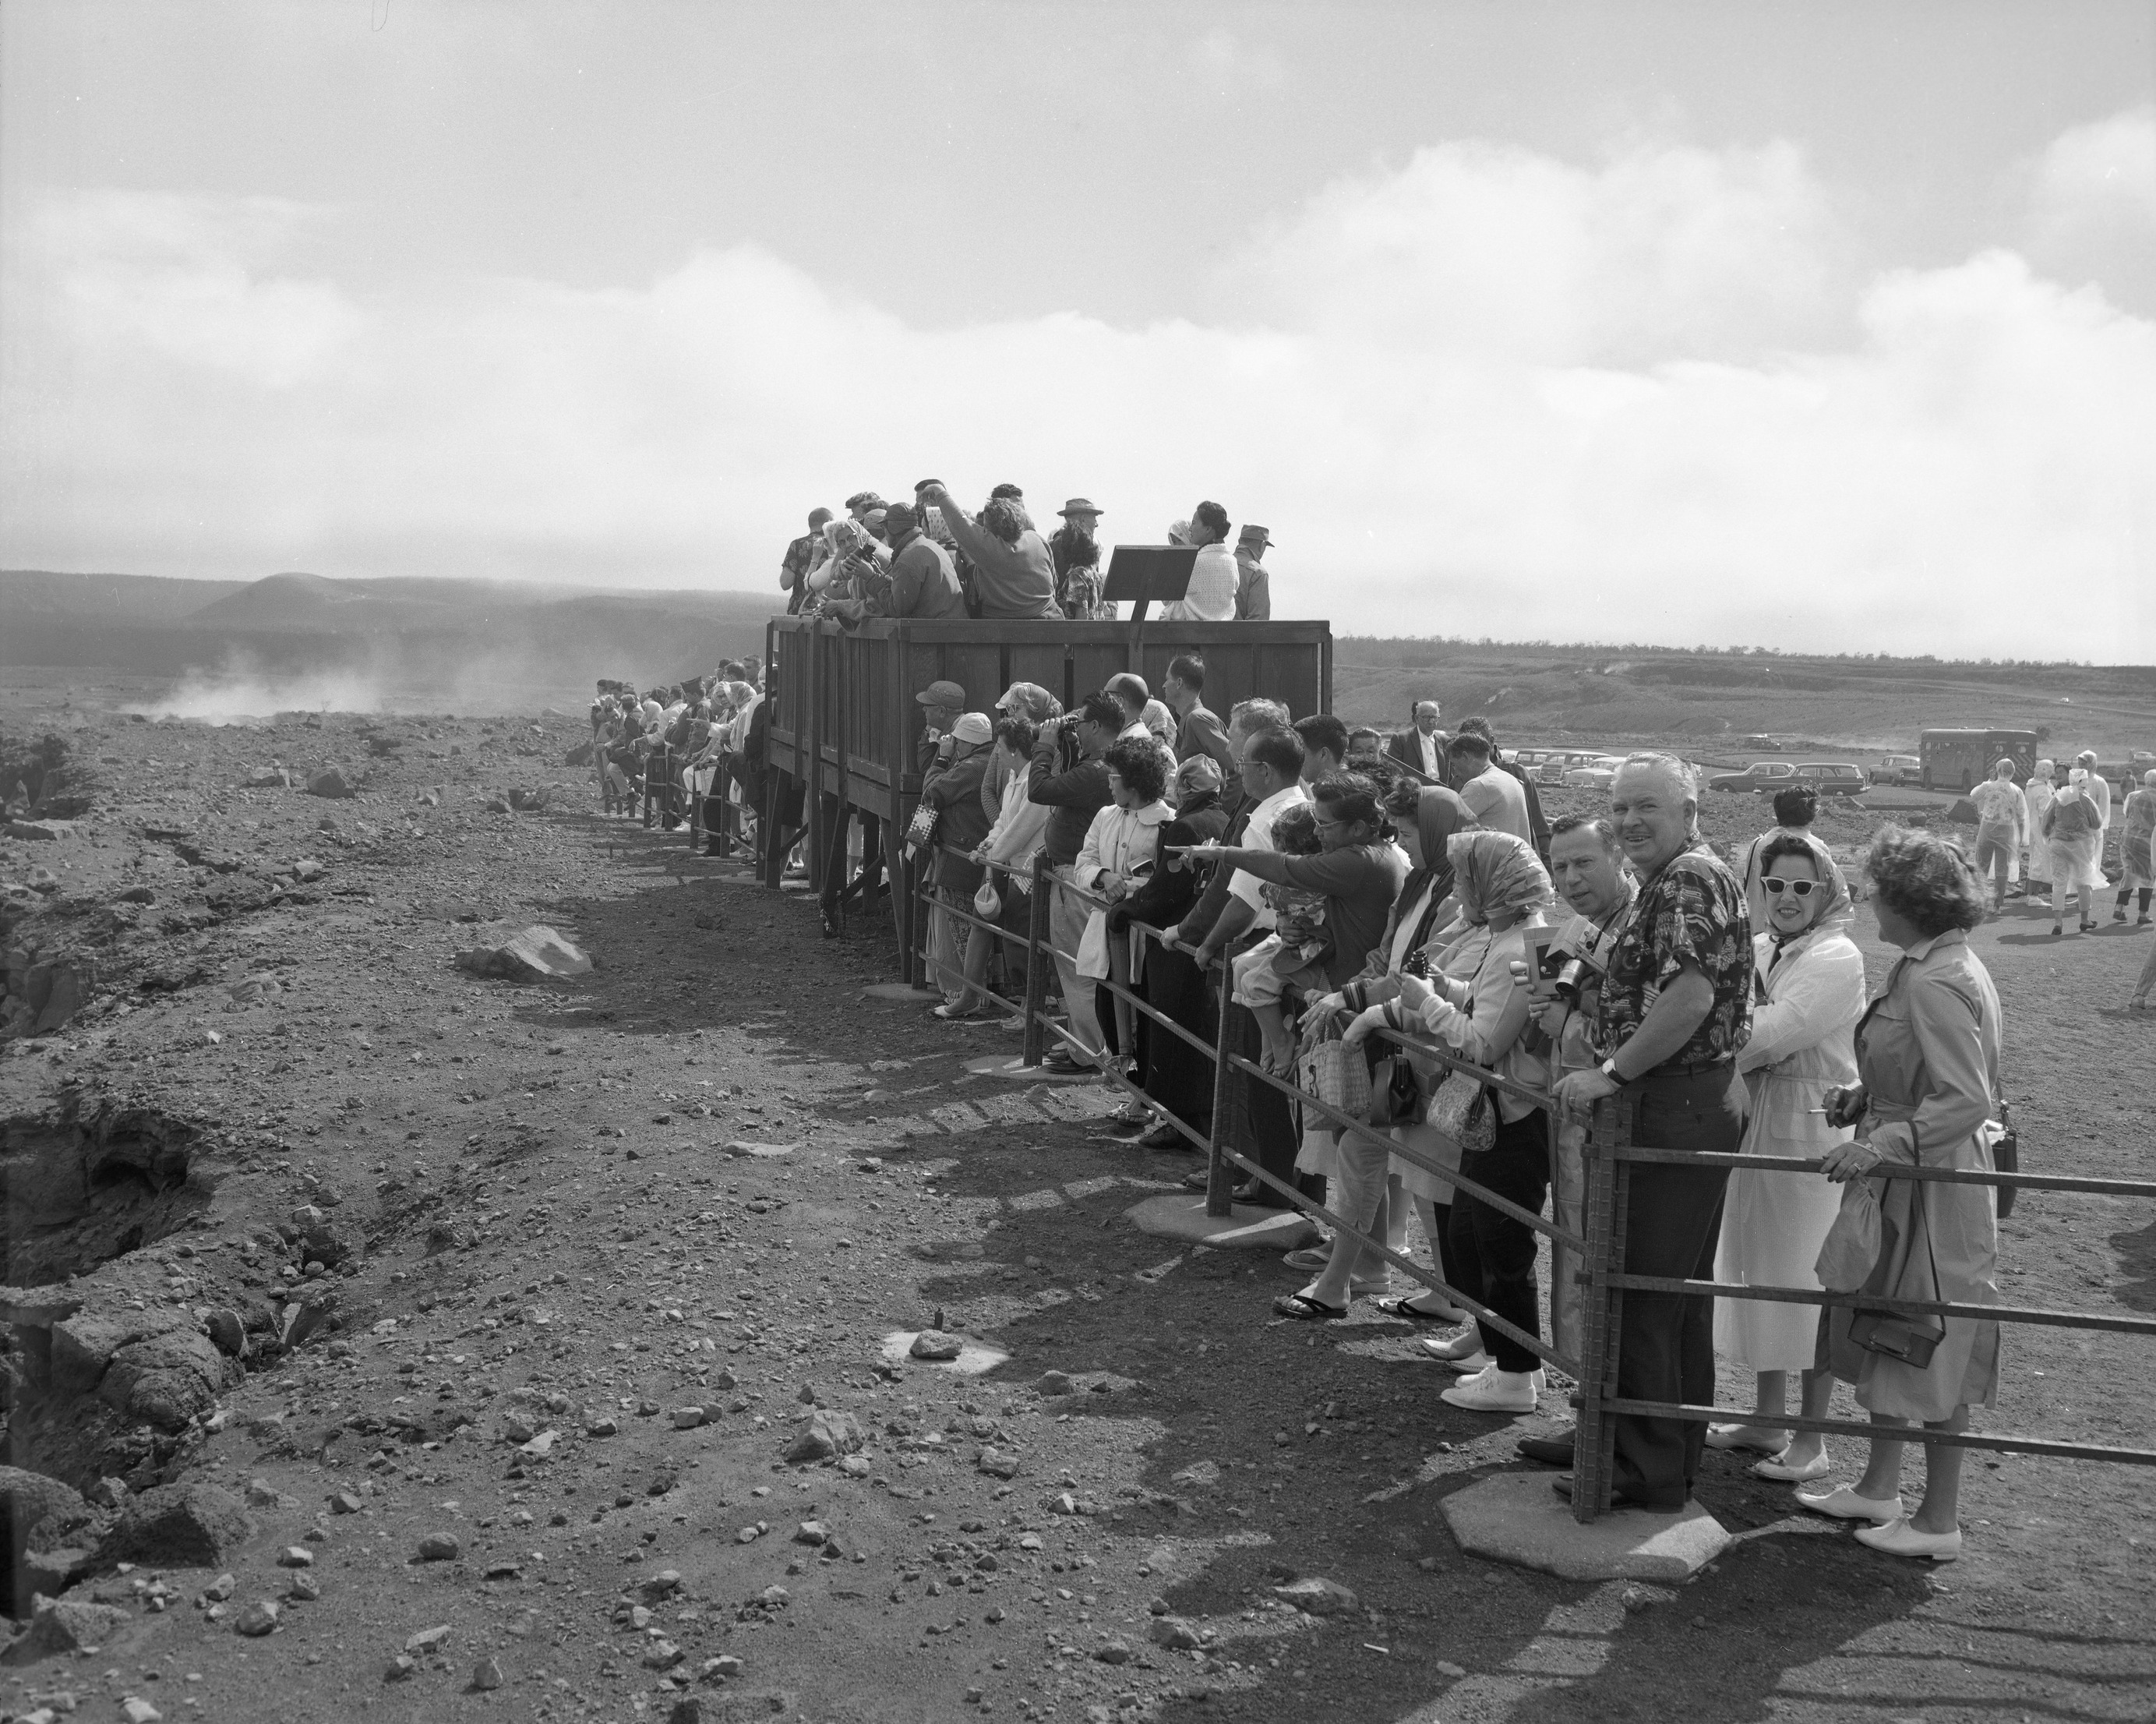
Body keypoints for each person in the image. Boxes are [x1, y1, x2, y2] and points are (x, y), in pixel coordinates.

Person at [1549, 753, 1752, 1514]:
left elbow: (1691, 994)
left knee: (1641, 1291)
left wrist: (1613, 1070)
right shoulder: (1680, 875)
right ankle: (1639, 1441)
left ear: (1690, 809)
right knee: (1671, 1292)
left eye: (1647, 807)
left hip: (1674, 1098)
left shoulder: (1688, 878)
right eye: (1620, 806)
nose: (1629, 820)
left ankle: (1648, 1466)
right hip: (1690, 1095)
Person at [1799, 827, 2003, 1561]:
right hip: (1911, 1177)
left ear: (1909, 901)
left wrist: (1879, 1141)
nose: (1869, 901)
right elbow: (1925, 1077)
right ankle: (1881, 1486)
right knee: (1887, 1323)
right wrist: (1865, 1097)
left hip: (1931, 1187)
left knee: (1930, 1334)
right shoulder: (1933, 966)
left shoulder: (1936, 979)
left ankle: (1938, 1521)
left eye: (1879, 890)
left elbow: (1963, 1098)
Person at [1346, 831, 1554, 1415]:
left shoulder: (1522, 944)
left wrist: (1427, 1002)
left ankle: (1515, 1375)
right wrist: (1447, 990)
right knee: (1473, 1233)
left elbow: (1484, 1044)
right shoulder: (1519, 936)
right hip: (1504, 1112)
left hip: (1513, 1113)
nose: (1459, 888)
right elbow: (1490, 1009)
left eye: (1465, 878)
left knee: (1499, 1242)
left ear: (1491, 884)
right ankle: (1502, 1360)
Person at [1184, 773, 1408, 1307]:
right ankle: (1362, 1254)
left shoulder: (1356, 860)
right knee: (1354, 1144)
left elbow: (1285, 868)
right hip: (1346, 999)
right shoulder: (1371, 855)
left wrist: (1221, 852)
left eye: (1328, 825)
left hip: (1349, 1003)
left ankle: (1362, 1263)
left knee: (1356, 1145)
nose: (1321, 834)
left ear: (1358, 825)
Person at [1706, 830, 1865, 1480]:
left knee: (1805, 1278)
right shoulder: (1760, 945)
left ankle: (1812, 1437)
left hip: (1808, 1121)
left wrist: (1706, 1038)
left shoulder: (1837, 955)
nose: (1788, 897)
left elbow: (1773, 1030)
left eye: (1802, 885)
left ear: (1825, 888)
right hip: (1756, 1118)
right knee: (1756, 1268)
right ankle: (1766, 1416)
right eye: (1774, 885)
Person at [1304, 782, 1476, 1322]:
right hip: (1401, 1043)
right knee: (1387, 1164)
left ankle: (1355, 1282)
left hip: (1421, 1047)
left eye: (1406, 831)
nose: (1400, 839)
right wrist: (1354, 990)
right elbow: (1386, 956)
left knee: (1408, 1171)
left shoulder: (1457, 891)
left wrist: (1350, 996)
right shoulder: (1423, 881)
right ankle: (1405, 1285)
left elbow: (1421, 971)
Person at [1506, 813, 1636, 1468]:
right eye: (1559, 866)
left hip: (1617, 1131)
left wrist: (1567, 1018)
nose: (1570, 878)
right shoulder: (1580, 930)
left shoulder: (1640, 928)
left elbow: (1639, 1035)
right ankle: (1587, 1410)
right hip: (1575, 1128)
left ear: (1619, 855)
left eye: (1584, 862)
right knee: (1579, 1259)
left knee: (1608, 1267)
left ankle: (1608, 1424)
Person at [1109, 754, 1231, 1150]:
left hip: (1176, 940)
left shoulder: (1186, 824)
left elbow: (1166, 886)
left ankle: (1181, 1124)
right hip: (1206, 938)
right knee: (1202, 1028)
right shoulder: (1224, 820)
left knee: (1174, 1027)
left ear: (1186, 788)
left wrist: (1128, 908)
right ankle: (1198, 1121)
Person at [1028, 693, 1123, 1072]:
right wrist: (1066, 744)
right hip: (1081, 877)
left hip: (1077, 880)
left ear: (1097, 727)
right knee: (1081, 967)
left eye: (1080, 724)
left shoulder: (1096, 770)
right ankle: (1085, 1042)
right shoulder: (1103, 766)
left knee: (1079, 968)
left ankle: (1087, 1051)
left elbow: (1040, 790)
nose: (1076, 730)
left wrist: (1044, 747)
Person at [1074, 740, 1174, 1072]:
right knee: (1108, 1008)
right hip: (1109, 931)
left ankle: (1142, 1097)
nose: (1109, 783)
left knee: (1143, 1013)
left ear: (1133, 781)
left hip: (1145, 938)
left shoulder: (1167, 821)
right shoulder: (1106, 816)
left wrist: (1126, 886)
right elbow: (1083, 862)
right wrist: (1103, 876)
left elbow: (1164, 882)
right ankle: (1128, 1086)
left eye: (1114, 776)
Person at [1228, 802, 1332, 1073]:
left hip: (1317, 959)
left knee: (1256, 981)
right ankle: (1270, 1038)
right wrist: (1282, 922)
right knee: (1242, 967)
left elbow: (1275, 897)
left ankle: (1280, 1041)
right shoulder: (1305, 880)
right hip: (1300, 949)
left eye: (1283, 852)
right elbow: (1282, 908)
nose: (1278, 858)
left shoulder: (1316, 877)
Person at [912, 712, 997, 1019]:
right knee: (970, 929)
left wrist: (941, 759)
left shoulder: (973, 766)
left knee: (962, 928)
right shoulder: (988, 759)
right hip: (970, 854)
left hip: (961, 859)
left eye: (957, 741)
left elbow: (931, 792)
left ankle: (968, 994)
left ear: (965, 742)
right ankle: (973, 992)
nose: (953, 745)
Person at [916, 483, 1059, 619]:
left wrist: (940, 492)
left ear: (990, 530)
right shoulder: (1038, 541)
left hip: (1002, 631)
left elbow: (961, 524)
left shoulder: (988, 548)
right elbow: (1054, 583)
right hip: (1051, 621)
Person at [1456, 718, 1550, 854]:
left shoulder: (1517, 774)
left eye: (1479, 742)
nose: (1474, 749)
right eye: (1467, 746)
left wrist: (1547, 870)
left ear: (1492, 740)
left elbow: (1539, 827)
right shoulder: (1459, 778)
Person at [1737, 783, 1820, 924]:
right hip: (1800, 935)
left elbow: (1749, 889)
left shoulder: (1758, 844)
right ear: (1810, 813)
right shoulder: (1818, 848)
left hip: (1758, 931)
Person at [870, 503, 965, 620]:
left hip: (933, 633)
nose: (884, 531)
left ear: (893, 528)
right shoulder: (930, 545)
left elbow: (897, 608)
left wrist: (871, 578)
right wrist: (877, 575)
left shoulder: (907, 558)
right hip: (950, 628)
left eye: (885, 526)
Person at [2041, 767, 2105, 936]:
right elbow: (2097, 823)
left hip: (2058, 842)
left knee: (2059, 882)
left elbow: (2046, 821)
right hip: (2080, 845)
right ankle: (2084, 920)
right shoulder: (2086, 799)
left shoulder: (2058, 797)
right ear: (2083, 781)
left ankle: (2058, 923)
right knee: (2084, 882)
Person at [1159, 501, 1240, 621]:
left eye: (1194, 523)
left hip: (1185, 635)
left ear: (1208, 529)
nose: (1190, 529)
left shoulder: (1191, 564)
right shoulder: (1232, 562)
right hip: (1220, 635)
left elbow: (1166, 598)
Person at [1163, 655, 1238, 783]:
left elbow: (1236, 763)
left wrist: (1227, 801)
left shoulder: (1197, 719)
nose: (1163, 685)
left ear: (1179, 683)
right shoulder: (1190, 719)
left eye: (1167, 679)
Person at [1967, 758, 2027, 917]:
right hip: (2006, 831)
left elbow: (1973, 795)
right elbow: (2021, 816)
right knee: (2002, 869)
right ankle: (1997, 905)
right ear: (2012, 772)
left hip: (1987, 828)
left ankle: (1978, 902)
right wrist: (2021, 836)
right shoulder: (2016, 790)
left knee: (1981, 866)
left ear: (1997, 770)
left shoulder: (1988, 786)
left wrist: (1988, 780)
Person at [1449, 732, 1532, 843]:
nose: (1456, 774)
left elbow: (1446, 829)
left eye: (1454, 765)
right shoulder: (1511, 780)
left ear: (1465, 757)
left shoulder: (1479, 785)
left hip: (1496, 859)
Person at [1050, 499, 1113, 620]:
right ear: (1083, 519)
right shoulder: (1091, 572)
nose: (1096, 523)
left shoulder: (1053, 546)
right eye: (1094, 518)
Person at [2112, 768, 2154, 924]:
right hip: (2148, 841)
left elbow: (2127, 814)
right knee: (2147, 876)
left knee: (2129, 873)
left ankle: (2119, 907)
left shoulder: (2134, 796)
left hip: (2129, 839)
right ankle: (2143, 913)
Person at [780, 507, 833, 616]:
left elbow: (785, 584)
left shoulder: (797, 545)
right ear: (828, 523)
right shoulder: (836, 545)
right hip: (828, 610)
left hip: (800, 611)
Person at [2022, 759, 2056, 910]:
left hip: (2032, 828)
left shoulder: (2031, 786)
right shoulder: (2042, 789)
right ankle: (2033, 896)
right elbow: (2046, 813)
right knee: (2039, 862)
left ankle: (2031, 893)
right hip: (2041, 830)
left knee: (2034, 861)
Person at [1389, 701, 1449, 782]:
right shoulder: (1401, 740)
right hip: (1415, 791)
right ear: (1417, 718)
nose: (1431, 722)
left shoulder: (1446, 741)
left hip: (1442, 791)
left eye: (1434, 717)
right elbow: (1392, 772)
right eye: (1426, 717)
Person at [1233, 524, 1273, 620]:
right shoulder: (1258, 573)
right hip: (1238, 635)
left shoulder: (1223, 564)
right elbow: (1258, 621)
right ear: (1262, 545)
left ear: (1239, 541)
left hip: (1208, 634)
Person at [1293, 714, 1347, 783]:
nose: (1294, 760)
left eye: (1300, 752)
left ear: (1323, 754)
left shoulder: (1349, 793)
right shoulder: (1308, 790)